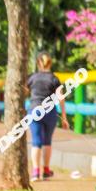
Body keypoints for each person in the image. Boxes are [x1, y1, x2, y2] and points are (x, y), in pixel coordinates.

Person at [26, 53, 70, 181]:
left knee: (36, 142)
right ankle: (46, 170)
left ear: (38, 63)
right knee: (47, 142)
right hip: (50, 112)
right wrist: (64, 117)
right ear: (50, 63)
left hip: (34, 111)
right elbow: (61, 97)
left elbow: (23, 92)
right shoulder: (54, 79)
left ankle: (35, 172)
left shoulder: (32, 78)